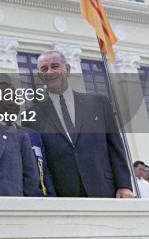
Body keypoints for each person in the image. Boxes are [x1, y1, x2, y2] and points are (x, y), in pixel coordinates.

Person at [32, 50, 133, 198]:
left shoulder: (99, 103)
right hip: (63, 195)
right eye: (44, 69)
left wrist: (124, 185)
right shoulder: (33, 114)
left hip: (104, 189)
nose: (50, 72)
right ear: (40, 76)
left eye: (55, 66)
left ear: (67, 69)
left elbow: (115, 147)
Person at [0, 78, 55, 196]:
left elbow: (44, 172)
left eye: (16, 98)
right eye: (7, 97)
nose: (12, 102)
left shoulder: (33, 135)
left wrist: (51, 198)